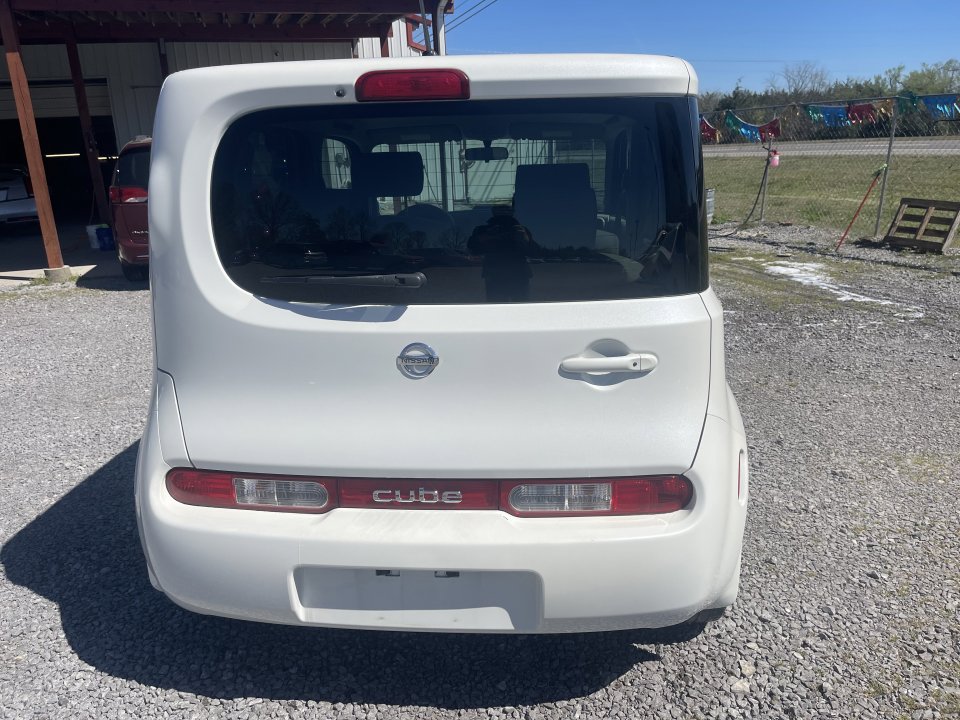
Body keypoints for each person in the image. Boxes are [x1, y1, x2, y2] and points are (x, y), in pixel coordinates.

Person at [467, 205, 537, 302]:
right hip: (494, 276)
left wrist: (525, 238)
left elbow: (535, 253)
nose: (503, 212)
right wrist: (486, 236)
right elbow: (472, 250)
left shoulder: (520, 230)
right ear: (493, 211)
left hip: (519, 275)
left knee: (521, 309)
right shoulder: (482, 230)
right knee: (496, 310)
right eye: (500, 209)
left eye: (506, 209)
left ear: (512, 212)